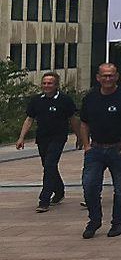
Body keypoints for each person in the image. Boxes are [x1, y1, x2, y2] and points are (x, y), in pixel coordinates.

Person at [79, 63, 121, 239]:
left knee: (120, 189)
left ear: (116, 77)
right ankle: (94, 220)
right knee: (89, 186)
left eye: (111, 75)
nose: (107, 79)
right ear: (98, 78)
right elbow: (83, 123)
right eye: (104, 76)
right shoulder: (90, 98)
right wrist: (86, 146)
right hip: (96, 149)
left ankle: (117, 223)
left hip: (118, 149)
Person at [16, 71, 80, 212]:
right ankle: (59, 190)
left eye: (50, 83)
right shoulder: (36, 100)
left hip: (58, 137)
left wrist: (79, 137)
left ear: (56, 85)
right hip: (42, 138)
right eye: (44, 83)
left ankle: (44, 199)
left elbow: (73, 119)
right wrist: (21, 137)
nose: (46, 85)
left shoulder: (65, 100)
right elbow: (29, 119)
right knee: (48, 166)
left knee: (50, 164)